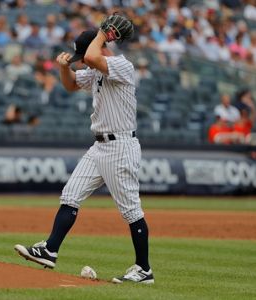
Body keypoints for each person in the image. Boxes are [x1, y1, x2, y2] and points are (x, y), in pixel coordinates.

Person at [14, 15, 154, 284]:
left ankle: (144, 269)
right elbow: (69, 85)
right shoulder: (96, 69)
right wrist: (65, 68)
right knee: (71, 194)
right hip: (99, 146)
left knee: (131, 210)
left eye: (84, 51)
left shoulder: (122, 65)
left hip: (121, 145)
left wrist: (102, 34)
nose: (81, 57)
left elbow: (91, 58)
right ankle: (50, 249)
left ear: (101, 46)